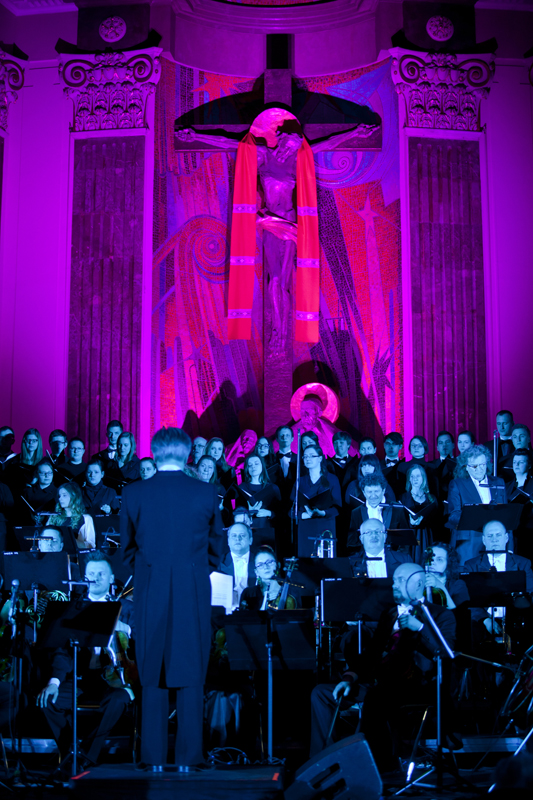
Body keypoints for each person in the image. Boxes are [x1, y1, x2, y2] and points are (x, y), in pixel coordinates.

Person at [121, 426, 224, 768]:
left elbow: (126, 550)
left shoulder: (134, 492)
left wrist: (149, 569)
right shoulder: (206, 492)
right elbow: (217, 548)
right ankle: (189, 758)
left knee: (152, 668)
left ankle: (151, 757)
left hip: (150, 588)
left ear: (154, 452)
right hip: (192, 589)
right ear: (187, 453)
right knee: (191, 667)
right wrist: (192, 569)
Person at [310, 562, 456, 767]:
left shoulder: (441, 614)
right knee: (322, 693)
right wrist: (350, 677)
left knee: (376, 697)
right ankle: (324, 762)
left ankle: (370, 765)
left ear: (419, 584)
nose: (394, 585)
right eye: (394, 580)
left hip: (415, 686)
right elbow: (371, 654)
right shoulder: (389, 614)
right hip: (379, 682)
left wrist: (420, 627)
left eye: (401, 580)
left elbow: (446, 653)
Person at [36, 551, 134, 766]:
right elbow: (62, 652)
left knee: (119, 700)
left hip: (115, 679)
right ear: (84, 577)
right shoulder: (73, 609)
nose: (96, 578)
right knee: (48, 700)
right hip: (80, 678)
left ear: (111, 578)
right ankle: (70, 754)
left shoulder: (127, 609)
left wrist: (126, 630)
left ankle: (86, 756)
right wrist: (54, 682)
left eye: (101, 574)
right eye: (91, 574)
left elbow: (142, 643)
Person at [463, 520, 533, 635]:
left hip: (516, 621)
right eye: (490, 536)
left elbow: (529, 594)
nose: (494, 539)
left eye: (498, 535)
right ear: (484, 540)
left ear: (506, 537)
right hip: (483, 623)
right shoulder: (471, 566)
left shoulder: (523, 564)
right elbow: (467, 599)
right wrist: (486, 620)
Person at [447, 445, 507, 563]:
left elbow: (506, 516)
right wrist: (477, 516)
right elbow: (453, 516)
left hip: (495, 542)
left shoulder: (498, 482)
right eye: (474, 466)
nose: (479, 469)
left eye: (482, 465)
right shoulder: (457, 484)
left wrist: (509, 546)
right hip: (469, 544)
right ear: (466, 467)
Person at [231, 453, 281, 548]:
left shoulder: (273, 488)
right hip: (246, 531)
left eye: (256, 463)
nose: (253, 467)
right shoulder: (241, 488)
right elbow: (235, 513)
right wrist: (248, 511)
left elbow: (281, 513)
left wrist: (269, 513)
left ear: (262, 466)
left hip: (267, 529)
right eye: (250, 465)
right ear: (247, 469)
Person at [347, 474, 407, 551]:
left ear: (383, 490)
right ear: (364, 492)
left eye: (376, 491)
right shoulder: (356, 512)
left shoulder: (397, 508)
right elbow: (352, 542)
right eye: (369, 492)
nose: (373, 496)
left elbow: (406, 540)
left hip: (392, 556)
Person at [401, 465, 439, 558]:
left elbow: (437, 521)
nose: (415, 479)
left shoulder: (431, 498)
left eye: (418, 476)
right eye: (412, 476)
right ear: (409, 479)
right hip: (411, 536)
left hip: (427, 535)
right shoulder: (404, 497)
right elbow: (400, 520)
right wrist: (411, 523)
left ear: (423, 478)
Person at [423, 543, 469, 610]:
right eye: (430, 558)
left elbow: (458, 613)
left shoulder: (458, 585)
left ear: (449, 563)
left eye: (439, 559)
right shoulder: (419, 581)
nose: (432, 562)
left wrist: (440, 586)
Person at [49, 483, 96, 549]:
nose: (60, 499)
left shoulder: (86, 518)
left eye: (64, 495)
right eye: (59, 496)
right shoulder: (54, 517)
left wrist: (71, 540)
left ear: (74, 496)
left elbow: (91, 545)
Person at [220, 523, 256, 609]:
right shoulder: (218, 562)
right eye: (234, 536)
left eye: (242, 535)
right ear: (228, 541)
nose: (238, 539)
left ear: (250, 540)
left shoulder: (260, 561)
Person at [380, 431, 405, 498]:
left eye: (394, 444)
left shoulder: (404, 466)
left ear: (400, 446)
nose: (391, 447)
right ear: (384, 445)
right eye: (388, 443)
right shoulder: (377, 466)